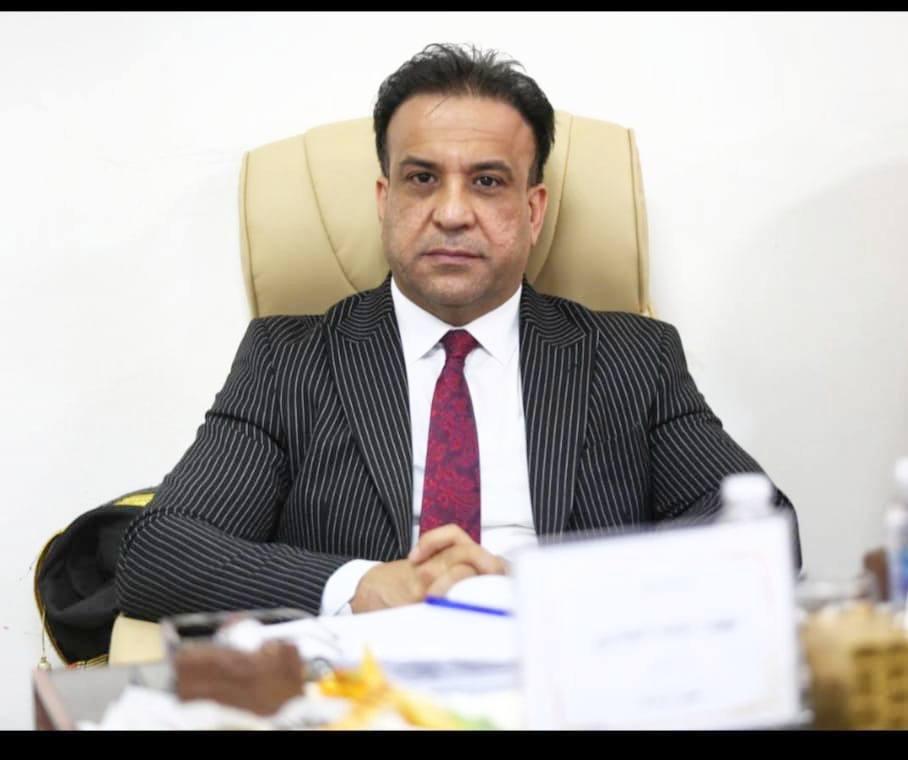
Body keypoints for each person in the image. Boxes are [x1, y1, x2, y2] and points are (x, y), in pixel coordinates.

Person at [115, 43, 800, 622]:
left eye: (488, 182)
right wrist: (360, 585)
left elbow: (761, 526)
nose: (451, 213)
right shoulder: (288, 360)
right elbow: (159, 552)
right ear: (385, 201)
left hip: (564, 672)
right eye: (422, 178)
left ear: (533, 211)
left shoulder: (631, 358)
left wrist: (533, 585)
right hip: (371, 692)